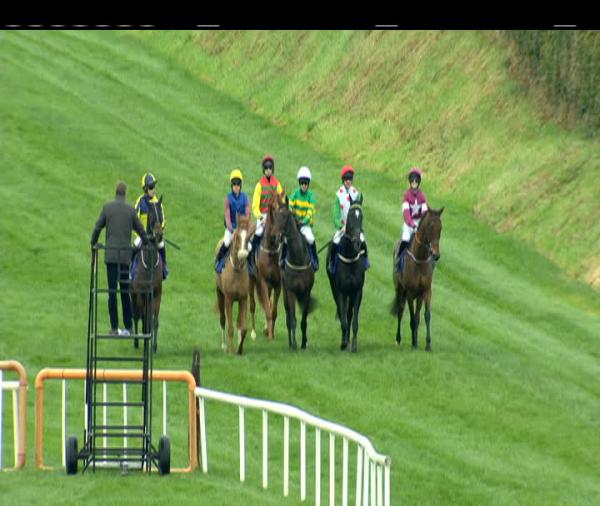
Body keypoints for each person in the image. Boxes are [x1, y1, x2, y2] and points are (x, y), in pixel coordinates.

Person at [91, 181, 148, 336]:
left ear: (116, 193)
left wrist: (93, 242)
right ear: (125, 193)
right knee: (124, 292)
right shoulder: (130, 210)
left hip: (110, 256)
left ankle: (114, 327)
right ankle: (128, 327)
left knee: (111, 292)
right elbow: (141, 230)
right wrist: (147, 241)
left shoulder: (107, 207)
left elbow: (97, 227)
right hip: (124, 257)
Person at [328, 165, 369, 272]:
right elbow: (336, 215)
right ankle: (331, 263)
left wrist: (357, 226)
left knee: (363, 241)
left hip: (354, 228)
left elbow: (358, 213)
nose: (348, 181)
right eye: (346, 179)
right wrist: (340, 226)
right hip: (343, 228)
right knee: (335, 242)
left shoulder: (356, 194)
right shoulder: (338, 195)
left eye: (350, 179)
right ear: (343, 180)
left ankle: (365, 261)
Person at [248, 154, 283, 273]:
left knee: (283, 235)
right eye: (266, 168)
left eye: (270, 168)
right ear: (264, 169)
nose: (268, 170)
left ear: (273, 169)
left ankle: (283, 260)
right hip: (263, 216)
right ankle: (251, 260)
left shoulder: (277, 184)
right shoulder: (259, 185)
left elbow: (281, 202)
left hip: (274, 216)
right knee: (258, 233)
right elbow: (255, 206)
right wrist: (260, 217)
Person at [133, 172, 168, 279]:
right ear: (145, 189)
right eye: (151, 187)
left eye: (154, 187)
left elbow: (163, 221)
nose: (154, 190)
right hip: (142, 235)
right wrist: (141, 234)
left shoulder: (158, 203)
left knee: (162, 246)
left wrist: (158, 232)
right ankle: (131, 270)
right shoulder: (140, 201)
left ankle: (164, 269)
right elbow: (135, 219)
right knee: (134, 247)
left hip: (155, 236)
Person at [214, 169, 251, 272]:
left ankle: (251, 267)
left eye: (238, 184)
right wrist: (232, 229)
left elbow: (248, 214)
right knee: (226, 242)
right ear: (231, 185)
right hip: (231, 229)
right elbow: (227, 216)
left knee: (249, 246)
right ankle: (219, 261)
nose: (236, 186)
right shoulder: (228, 198)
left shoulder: (245, 198)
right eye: (234, 184)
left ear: (240, 185)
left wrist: (244, 228)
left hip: (242, 229)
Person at [286, 166, 319, 270]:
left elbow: (310, 211)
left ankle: (314, 259)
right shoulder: (295, 193)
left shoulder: (311, 196)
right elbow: (290, 206)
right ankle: (282, 260)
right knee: (286, 240)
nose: (304, 185)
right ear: (299, 183)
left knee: (310, 239)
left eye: (306, 183)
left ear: (308, 184)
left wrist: (303, 221)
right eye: (302, 183)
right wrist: (293, 219)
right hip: (295, 225)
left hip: (305, 225)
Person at [397, 167, 428, 271]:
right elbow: (406, 214)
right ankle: (399, 260)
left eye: (416, 181)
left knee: (428, 240)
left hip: (419, 222)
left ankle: (430, 262)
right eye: (412, 181)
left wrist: (422, 224)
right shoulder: (406, 196)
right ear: (410, 181)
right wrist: (412, 225)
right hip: (409, 223)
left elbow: (424, 212)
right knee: (406, 238)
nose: (414, 183)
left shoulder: (422, 196)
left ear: (419, 182)